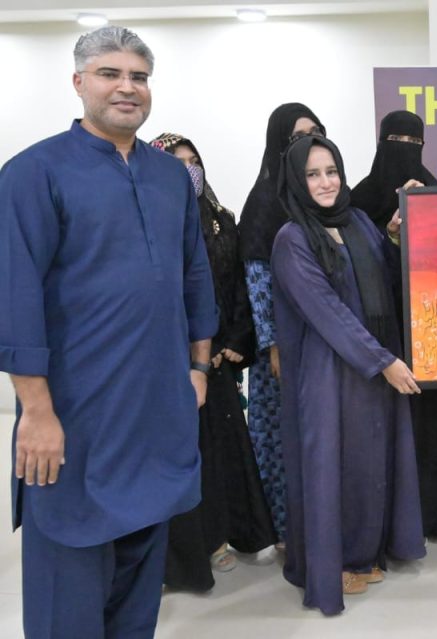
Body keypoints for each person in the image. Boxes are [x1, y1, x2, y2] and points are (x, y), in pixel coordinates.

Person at [0, 26, 218, 637]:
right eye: (110, 74)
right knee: (67, 594)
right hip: (75, 417)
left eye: (139, 77)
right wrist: (35, 412)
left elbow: (194, 275)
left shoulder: (169, 177)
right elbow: (15, 297)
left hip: (155, 413)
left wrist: (199, 367)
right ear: (78, 82)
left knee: (138, 596)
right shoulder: (33, 173)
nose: (127, 87)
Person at [271, 134, 426, 615]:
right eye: (313, 174)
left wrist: (395, 235)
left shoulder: (357, 220)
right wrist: (384, 362)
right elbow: (326, 310)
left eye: (332, 171)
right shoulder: (292, 238)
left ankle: (364, 551)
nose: (325, 183)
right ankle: (331, 562)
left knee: (371, 461)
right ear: (297, 181)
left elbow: (388, 277)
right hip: (329, 371)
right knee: (333, 466)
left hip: (374, 361)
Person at [149, 132, 276, 592]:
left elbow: (238, 285)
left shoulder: (223, 219)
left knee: (221, 452)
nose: (189, 170)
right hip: (171, 362)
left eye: (194, 161)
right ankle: (182, 552)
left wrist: (232, 340)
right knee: (181, 456)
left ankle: (222, 536)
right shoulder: (151, 224)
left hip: (218, 360)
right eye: (177, 162)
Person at [351, 110, 437, 538]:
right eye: (397, 142)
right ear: (381, 142)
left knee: (436, 420)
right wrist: (390, 234)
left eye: (414, 143)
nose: (406, 151)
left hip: (433, 327)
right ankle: (394, 518)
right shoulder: (360, 199)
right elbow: (356, 265)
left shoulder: (433, 191)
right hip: (382, 329)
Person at [237, 103, 326, 547]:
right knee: (280, 439)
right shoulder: (264, 203)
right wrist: (273, 344)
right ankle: (287, 532)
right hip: (280, 349)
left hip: (322, 341)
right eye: (297, 136)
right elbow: (257, 282)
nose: (307, 142)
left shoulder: (320, 196)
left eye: (315, 132)